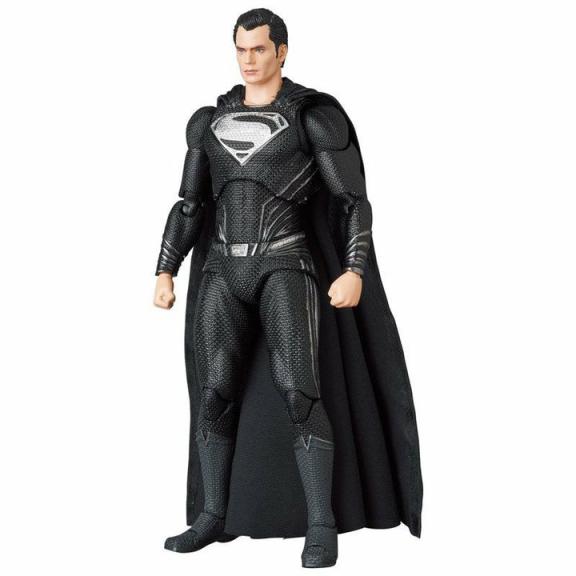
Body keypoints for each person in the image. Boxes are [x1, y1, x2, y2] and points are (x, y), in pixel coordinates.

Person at [153, 8, 423, 569]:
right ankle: (213, 514)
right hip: (223, 271)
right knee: (214, 390)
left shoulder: (311, 118)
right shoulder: (209, 122)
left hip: (285, 265)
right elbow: (190, 205)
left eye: (259, 49)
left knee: (300, 392)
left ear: (281, 51)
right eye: (241, 49)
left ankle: (321, 523)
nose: (249, 60)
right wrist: (165, 267)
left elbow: (352, 203)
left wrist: (354, 269)